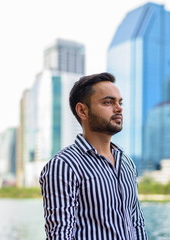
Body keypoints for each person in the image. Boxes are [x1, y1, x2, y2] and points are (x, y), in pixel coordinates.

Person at [39, 72, 147, 240]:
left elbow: (137, 223)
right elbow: (60, 235)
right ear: (82, 110)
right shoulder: (64, 166)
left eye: (120, 102)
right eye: (108, 102)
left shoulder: (126, 162)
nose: (119, 108)